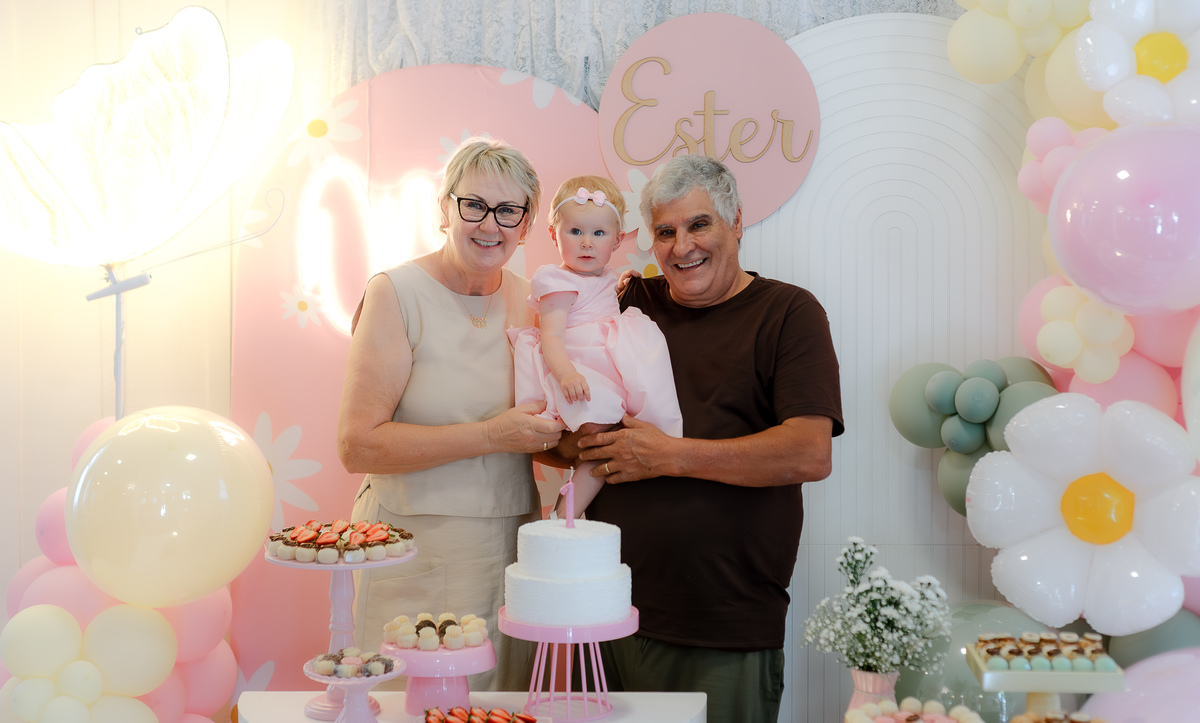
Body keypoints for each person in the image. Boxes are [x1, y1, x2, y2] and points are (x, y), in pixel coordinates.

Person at [572, 154, 844, 722]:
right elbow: (563, 429)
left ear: (736, 221)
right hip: (600, 611)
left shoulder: (788, 314)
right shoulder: (626, 303)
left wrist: (670, 456)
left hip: (724, 626)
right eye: (665, 232)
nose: (682, 246)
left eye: (699, 224)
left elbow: (810, 452)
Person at [336, 138, 565, 690]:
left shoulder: (534, 301)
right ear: (446, 209)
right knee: (404, 697)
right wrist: (492, 435)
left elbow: (547, 425)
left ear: (526, 225)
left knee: (494, 701)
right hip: (407, 544)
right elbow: (357, 445)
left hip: (507, 547)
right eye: (475, 205)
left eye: (508, 211)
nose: (490, 224)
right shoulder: (396, 293)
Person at [508, 174, 682, 517]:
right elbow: (551, 336)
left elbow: (596, 301)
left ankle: (565, 516)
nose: (587, 243)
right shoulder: (557, 282)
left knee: (610, 442)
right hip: (577, 366)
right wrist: (567, 374)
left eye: (599, 234)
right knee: (600, 431)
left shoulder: (603, 275)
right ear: (553, 234)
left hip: (606, 365)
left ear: (617, 241)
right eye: (575, 231)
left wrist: (619, 285)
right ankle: (564, 515)